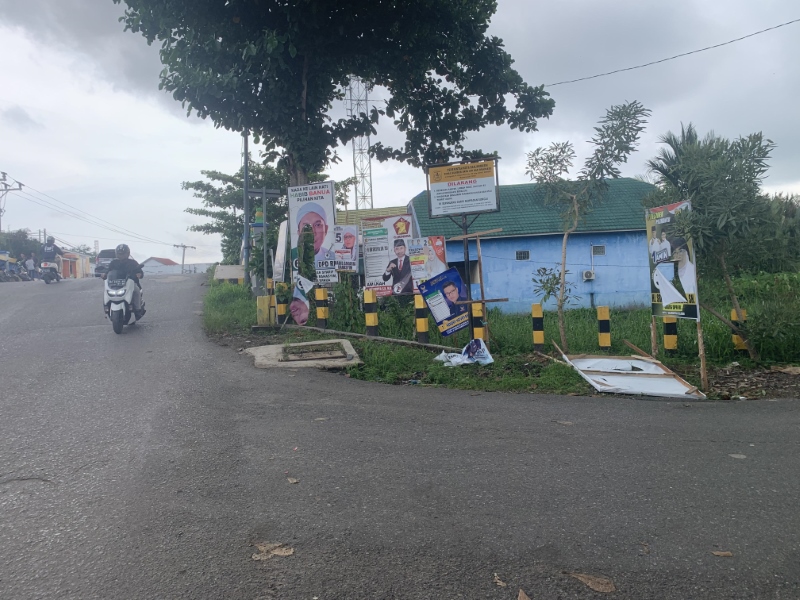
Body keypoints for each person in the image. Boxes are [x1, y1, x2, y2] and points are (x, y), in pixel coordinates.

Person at [104, 243, 145, 319]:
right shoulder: (113, 263)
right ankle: (107, 308)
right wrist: (104, 275)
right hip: (115, 284)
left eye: (123, 254)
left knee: (136, 291)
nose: (121, 255)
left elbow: (140, 272)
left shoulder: (133, 263)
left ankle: (138, 309)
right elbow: (108, 271)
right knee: (106, 292)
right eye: (119, 254)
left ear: (127, 254)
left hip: (130, 283)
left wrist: (139, 274)